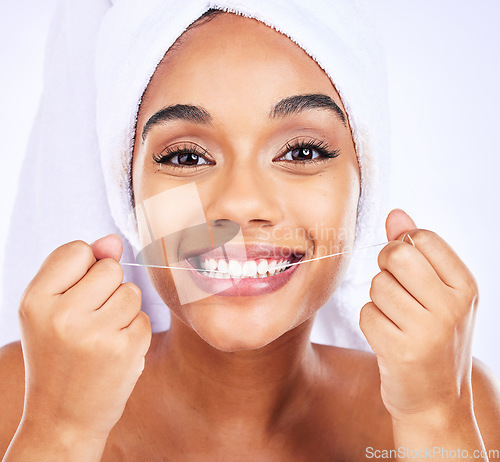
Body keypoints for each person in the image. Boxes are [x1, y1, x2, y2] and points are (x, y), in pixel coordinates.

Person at [1, 2, 500, 461]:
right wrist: (60, 431)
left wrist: (433, 419)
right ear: (126, 196)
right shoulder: (22, 398)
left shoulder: (453, 400)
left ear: (364, 189)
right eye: (186, 157)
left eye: (303, 152)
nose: (241, 203)